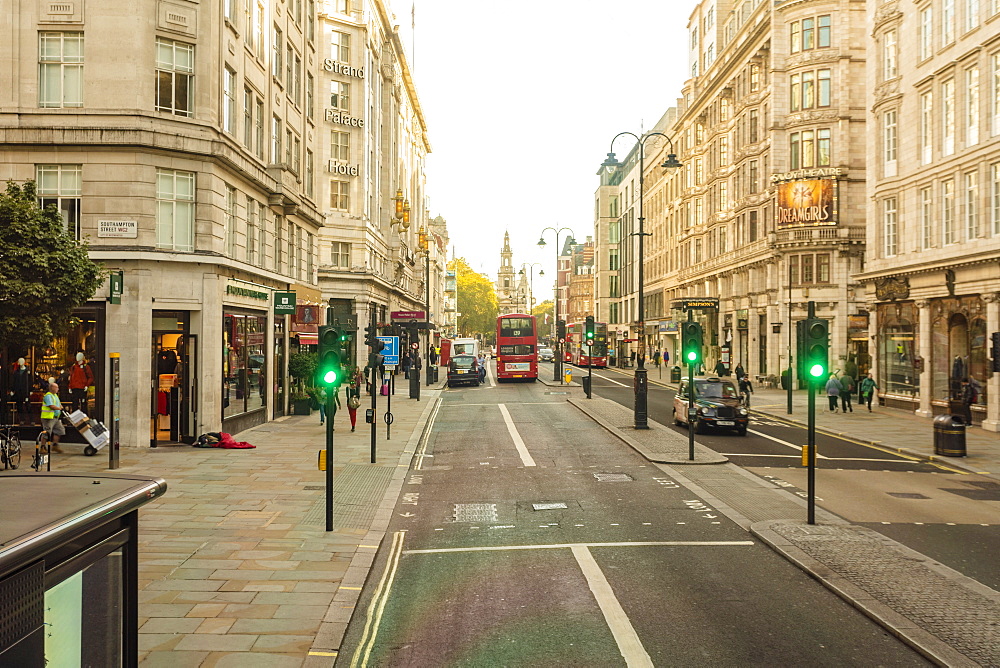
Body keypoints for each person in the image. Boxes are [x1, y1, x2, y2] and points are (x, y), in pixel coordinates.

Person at [40, 382, 64, 453]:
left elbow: (59, 404)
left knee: (60, 430)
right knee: (46, 433)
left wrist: (61, 407)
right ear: (52, 388)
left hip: (55, 417)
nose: (58, 389)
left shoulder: (55, 396)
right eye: (56, 387)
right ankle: (42, 447)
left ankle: (55, 445)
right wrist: (60, 409)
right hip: (48, 418)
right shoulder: (48, 396)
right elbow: (51, 406)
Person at [347, 366, 362, 432]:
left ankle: (353, 425)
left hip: (355, 403)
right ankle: (352, 424)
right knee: (351, 414)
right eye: (352, 384)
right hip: (350, 403)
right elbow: (347, 396)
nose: (353, 385)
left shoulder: (357, 388)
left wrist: (356, 396)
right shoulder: (348, 389)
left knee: (354, 415)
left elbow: (359, 395)